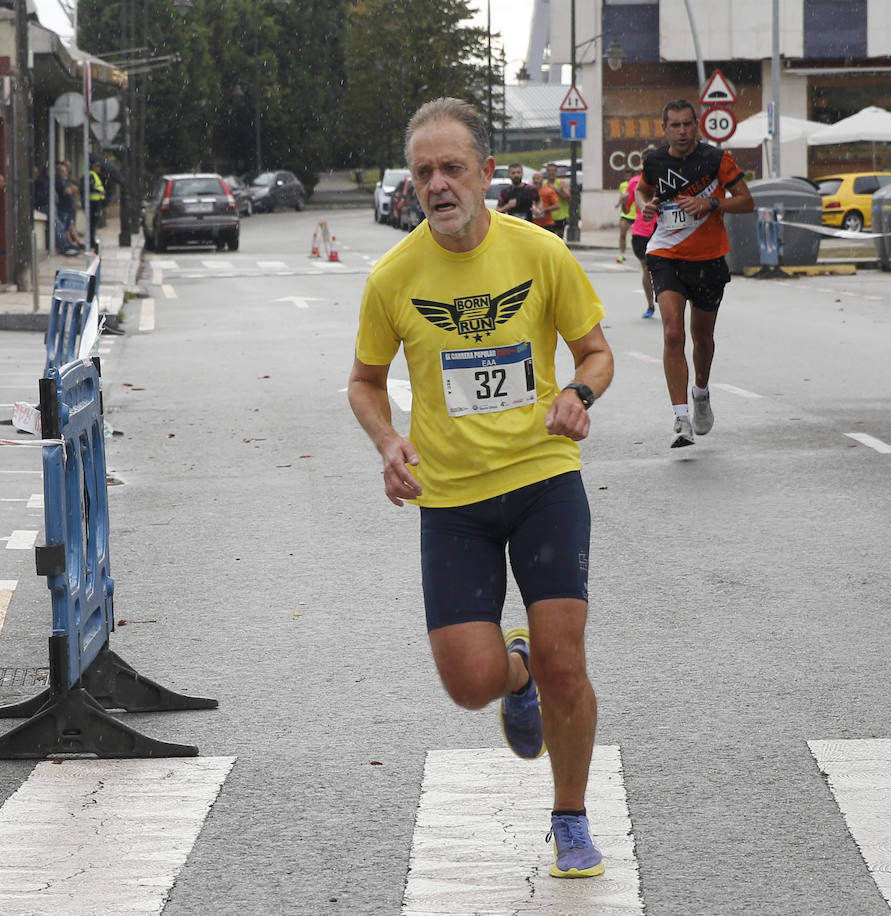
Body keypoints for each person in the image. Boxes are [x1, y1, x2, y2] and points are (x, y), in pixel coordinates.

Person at [348, 97, 614, 881]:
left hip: (541, 477)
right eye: (423, 171)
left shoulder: (539, 254)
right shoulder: (394, 277)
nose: (437, 184)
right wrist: (389, 439)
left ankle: (570, 817)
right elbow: (364, 383)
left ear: (487, 174)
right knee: (469, 684)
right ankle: (514, 673)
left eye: (452, 168)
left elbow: (595, 353)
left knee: (568, 657)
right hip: (452, 500)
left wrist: (580, 395)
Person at [637, 99, 753, 449]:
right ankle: (680, 418)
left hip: (708, 259)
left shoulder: (716, 159)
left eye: (688, 124)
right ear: (664, 128)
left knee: (702, 339)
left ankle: (700, 392)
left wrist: (711, 203)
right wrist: (647, 204)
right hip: (665, 254)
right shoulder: (655, 161)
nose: (682, 131)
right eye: (675, 125)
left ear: (697, 125)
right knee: (673, 333)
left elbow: (746, 200)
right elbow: (644, 189)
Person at [623, 169, 657, 319]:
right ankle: (650, 304)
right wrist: (624, 199)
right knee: (646, 267)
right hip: (641, 231)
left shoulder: (663, 179)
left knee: (660, 268)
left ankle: (664, 298)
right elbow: (626, 208)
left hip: (660, 230)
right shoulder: (634, 183)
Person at [53, 161, 82, 256]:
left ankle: (71, 244)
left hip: (68, 208)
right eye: (64, 171)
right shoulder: (59, 181)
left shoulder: (66, 180)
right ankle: (66, 246)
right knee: (63, 227)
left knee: (67, 226)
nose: (66, 172)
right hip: (63, 208)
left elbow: (74, 188)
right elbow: (68, 190)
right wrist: (69, 190)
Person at [543, 162, 571, 239]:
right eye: (549, 171)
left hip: (560, 216)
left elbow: (569, 199)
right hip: (548, 216)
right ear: (547, 172)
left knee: (559, 238)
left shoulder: (561, 183)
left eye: (553, 170)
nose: (551, 173)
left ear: (556, 172)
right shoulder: (544, 184)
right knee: (549, 238)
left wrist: (557, 190)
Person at [615, 178, 633, 263]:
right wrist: (618, 204)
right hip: (625, 214)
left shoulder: (637, 183)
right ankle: (622, 255)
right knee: (622, 234)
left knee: (637, 238)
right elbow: (621, 196)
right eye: (626, 176)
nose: (628, 178)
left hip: (636, 215)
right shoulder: (622, 185)